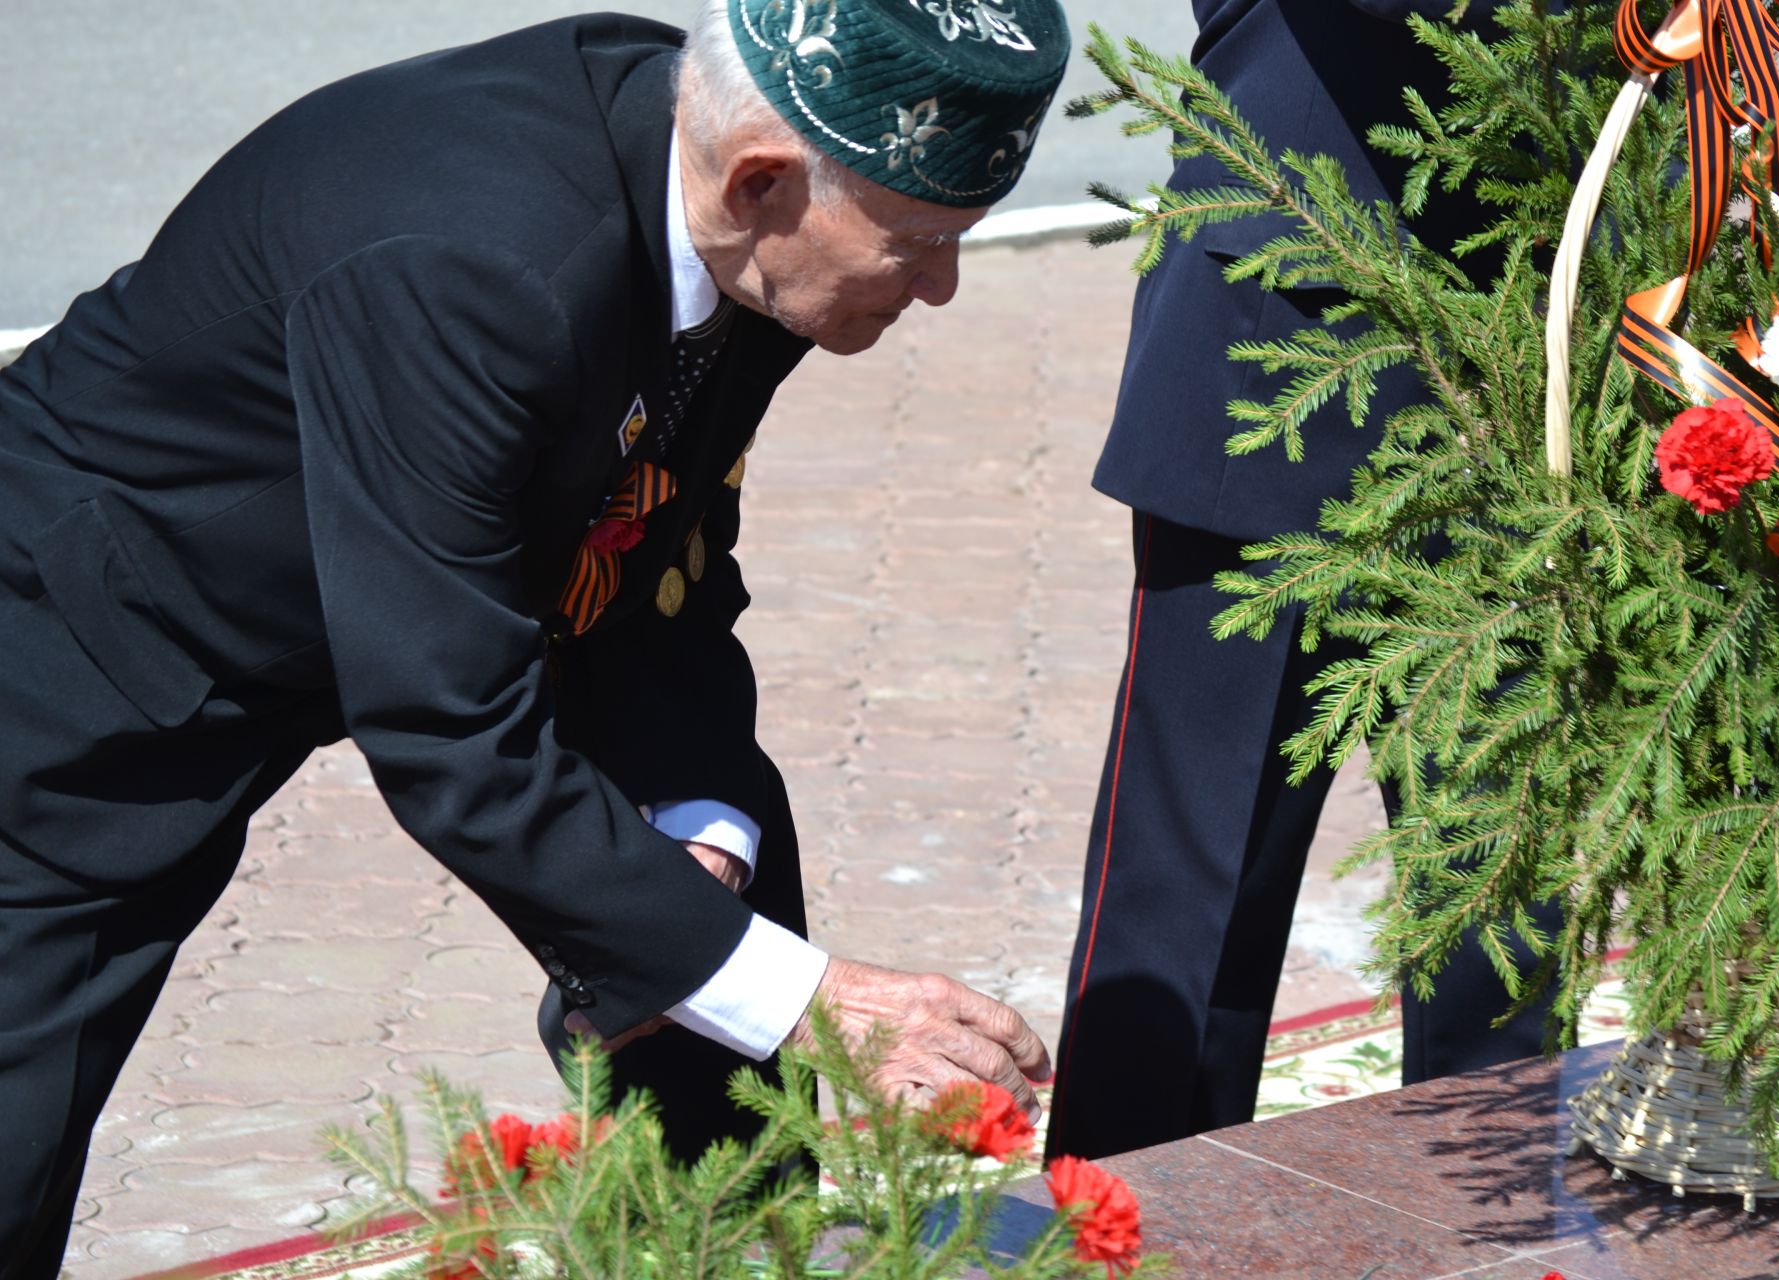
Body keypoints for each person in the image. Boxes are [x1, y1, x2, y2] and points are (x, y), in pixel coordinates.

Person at [0, 1, 1069, 1270]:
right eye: (919, 244)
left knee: (713, 853)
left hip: (392, 584)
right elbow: (451, 727)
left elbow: (657, 540)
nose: (942, 287)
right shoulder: (481, 259)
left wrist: (695, 823)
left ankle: (719, 1250)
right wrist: (817, 1003)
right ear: (764, 181)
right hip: (99, 636)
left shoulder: (726, 207)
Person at [1045, 0, 1555, 1162]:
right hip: (1282, 316)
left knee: (1500, 908)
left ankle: (1499, 1239)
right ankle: (1123, 1236)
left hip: (1540, 339)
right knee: (1190, 905)